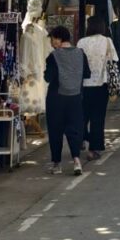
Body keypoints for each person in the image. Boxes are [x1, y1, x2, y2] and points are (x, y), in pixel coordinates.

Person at [44, 26, 90, 175]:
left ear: (58, 39)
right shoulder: (81, 53)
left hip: (56, 98)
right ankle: (76, 161)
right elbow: (87, 74)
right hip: (75, 97)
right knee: (74, 129)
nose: (52, 43)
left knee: (55, 130)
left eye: (52, 39)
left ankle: (57, 164)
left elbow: (48, 77)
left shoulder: (53, 56)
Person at [77, 16, 119, 161]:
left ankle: (81, 139)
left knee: (82, 116)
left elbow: (78, 62)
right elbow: (114, 60)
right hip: (102, 85)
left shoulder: (81, 42)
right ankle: (93, 149)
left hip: (84, 85)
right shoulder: (107, 41)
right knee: (98, 118)